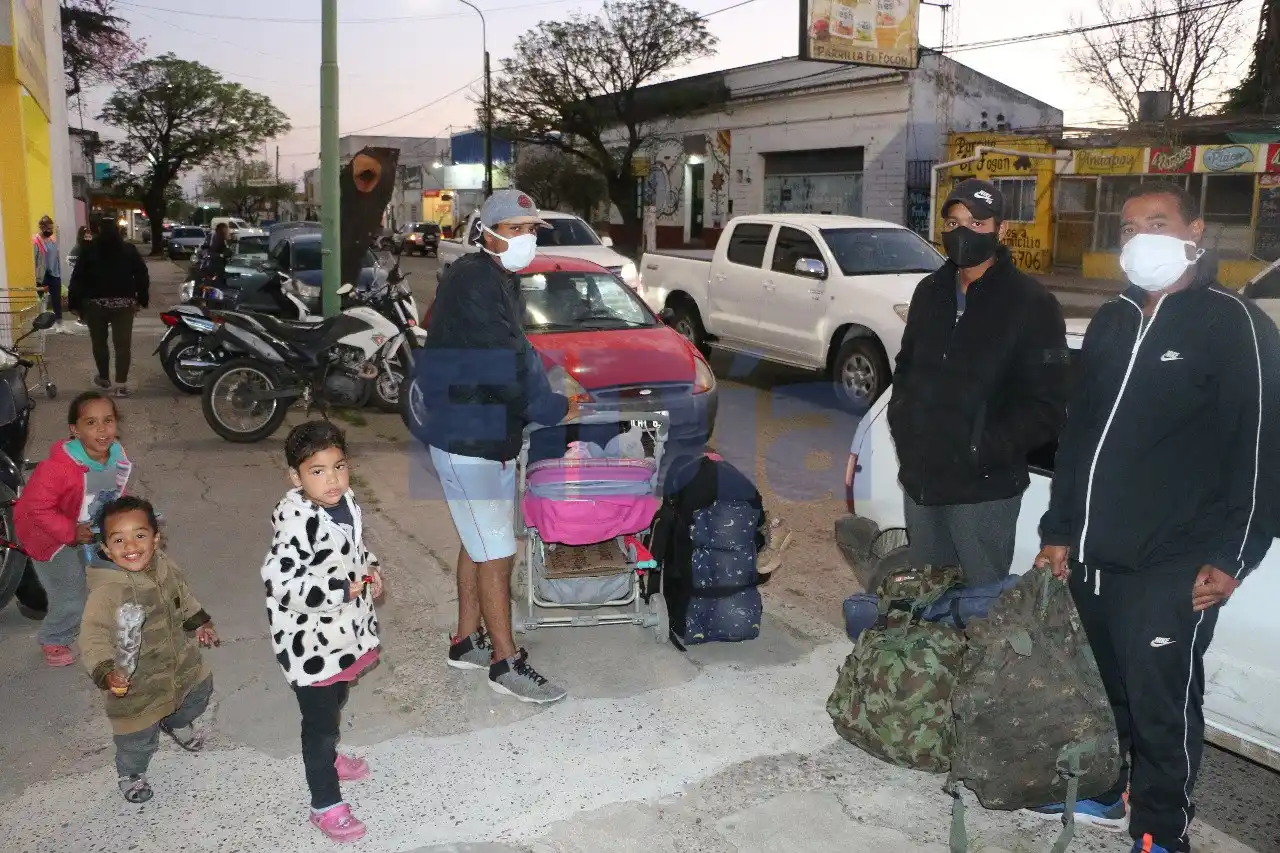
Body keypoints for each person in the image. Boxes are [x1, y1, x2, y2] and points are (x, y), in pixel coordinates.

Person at [1031, 182, 1279, 853]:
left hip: (1174, 558)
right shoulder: (1113, 319)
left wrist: (1235, 555)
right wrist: (1059, 531)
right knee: (1103, 685)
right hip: (1093, 551)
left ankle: (1161, 830)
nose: (1142, 237)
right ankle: (1111, 792)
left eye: (1159, 222)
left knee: (1160, 702)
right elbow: (1080, 435)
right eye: (1131, 226)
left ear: (1194, 230)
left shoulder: (1235, 324)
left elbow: (1261, 450)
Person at [411, 188, 579, 705]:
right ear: (485, 232)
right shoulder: (476, 281)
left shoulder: (496, 277)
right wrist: (554, 408)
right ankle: (505, 661)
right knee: (497, 550)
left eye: (531, 230)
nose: (525, 238)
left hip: (487, 434)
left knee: (479, 541)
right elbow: (502, 367)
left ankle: (465, 641)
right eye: (514, 229)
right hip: (468, 439)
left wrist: (556, 380)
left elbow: (519, 350)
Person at [886, 178, 1069, 585]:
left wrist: (977, 450)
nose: (962, 233)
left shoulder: (1031, 303)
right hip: (923, 481)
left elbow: (1047, 406)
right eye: (953, 223)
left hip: (983, 492)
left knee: (978, 608)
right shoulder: (929, 292)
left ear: (1001, 230)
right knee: (926, 603)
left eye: (977, 223)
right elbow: (907, 369)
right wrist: (906, 431)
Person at [262, 421, 382, 843]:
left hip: (344, 635)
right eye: (318, 470)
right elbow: (279, 582)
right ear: (296, 477)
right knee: (319, 723)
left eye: (339, 466)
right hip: (309, 642)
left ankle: (328, 755)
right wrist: (333, 590)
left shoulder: (346, 502)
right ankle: (325, 803)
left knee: (339, 696)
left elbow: (356, 548)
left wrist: (372, 569)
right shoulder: (296, 522)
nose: (332, 479)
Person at [78, 496, 219, 804]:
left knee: (198, 694)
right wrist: (107, 672)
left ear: (156, 538)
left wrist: (200, 623)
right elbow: (93, 637)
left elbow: (182, 596)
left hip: (180, 666)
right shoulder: (107, 591)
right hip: (135, 687)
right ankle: (131, 773)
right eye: (119, 539)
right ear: (106, 549)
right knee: (137, 739)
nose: (131, 546)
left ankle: (175, 721)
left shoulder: (165, 567)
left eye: (139, 535)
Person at [14, 392, 132, 667]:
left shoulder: (117, 455)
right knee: (71, 592)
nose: (102, 430)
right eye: (91, 423)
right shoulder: (58, 468)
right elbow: (37, 509)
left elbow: (114, 492)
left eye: (108, 420)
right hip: (50, 536)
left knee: (115, 576)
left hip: (90, 530)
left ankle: (104, 626)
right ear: (74, 430)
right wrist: (70, 532)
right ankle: (55, 636)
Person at [67, 218, 149, 397]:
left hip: (95, 304)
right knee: (122, 345)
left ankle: (104, 378)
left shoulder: (89, 250)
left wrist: (74, 304)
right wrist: (142, 298)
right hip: (124, 303)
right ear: (118, 230)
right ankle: (121, 385)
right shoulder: (128, 250)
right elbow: (142, 274)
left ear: (99, 231)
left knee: (99, 343)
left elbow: (78, 277)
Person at [33, 215, 69, 331]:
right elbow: (34, 259)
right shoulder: (36, 240)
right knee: (41, 300)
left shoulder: (53, 239)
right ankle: (41, 323)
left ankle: (59, 323)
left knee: (56, 299)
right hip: (42, 275)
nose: (50, 231)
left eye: (51, 228)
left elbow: (56, 256)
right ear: (42, 228)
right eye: (48, 228)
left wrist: (58, 270)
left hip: (54, 274)